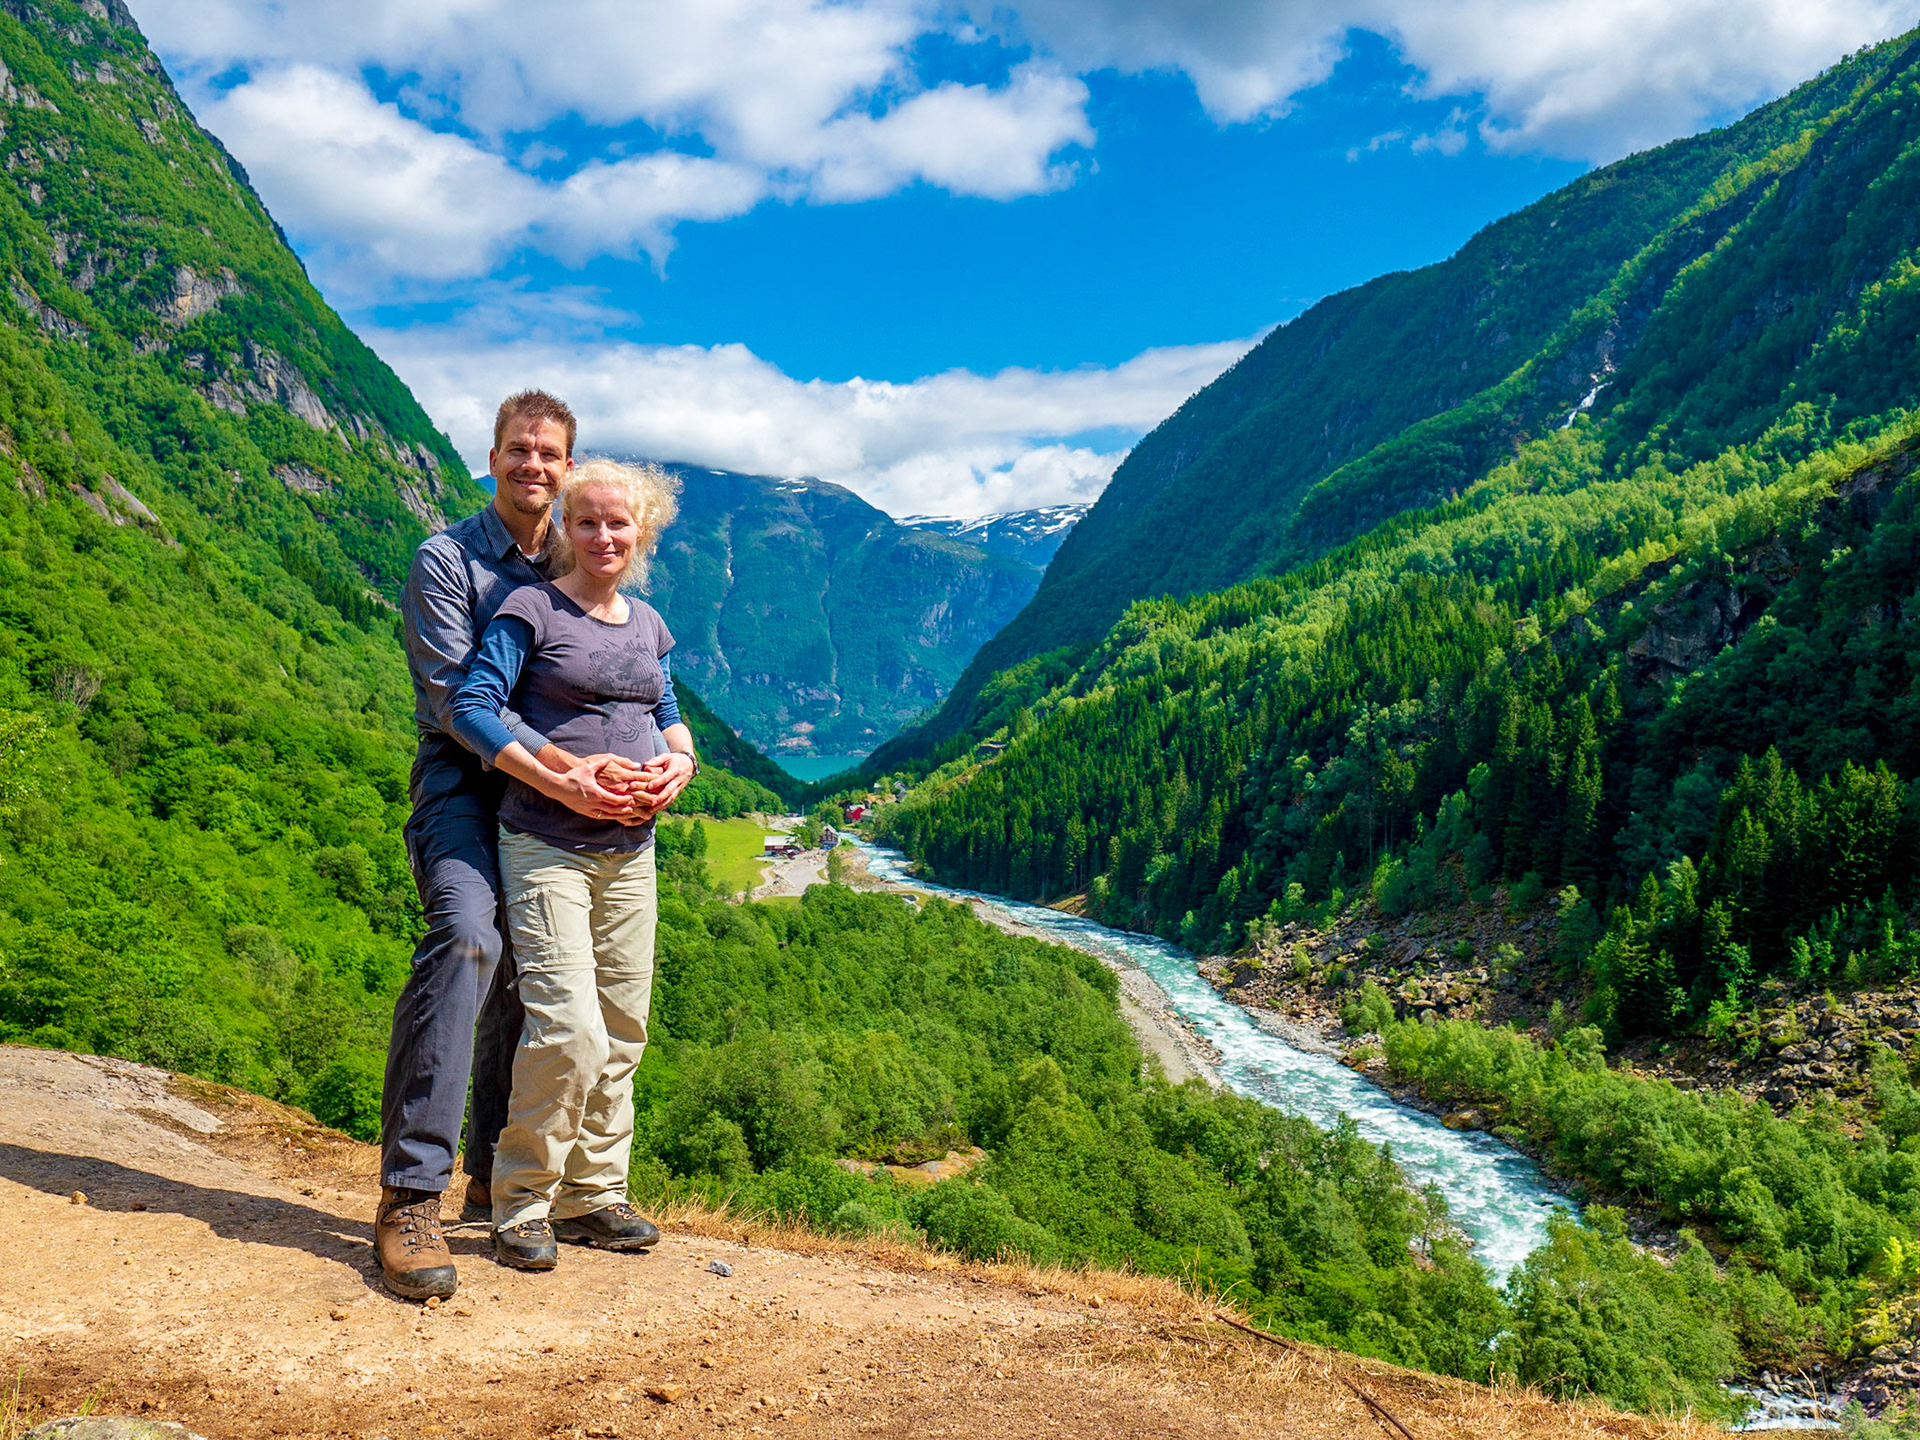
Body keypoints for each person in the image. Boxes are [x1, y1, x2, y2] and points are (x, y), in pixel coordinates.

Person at [378, 392, 692, 1300]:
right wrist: (566, 775)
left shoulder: (568, 553)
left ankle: (504, 1179)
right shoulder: (449, 560)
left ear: (568, 464)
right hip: (467, 786)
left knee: (543, 982)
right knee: (474, 940)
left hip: (575, 812)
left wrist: (665, 763)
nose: (535, 467)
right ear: (493, 457)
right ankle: (410, 1196)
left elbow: (632, 686)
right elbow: (455, 701)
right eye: (520, 451)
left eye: (550, 454)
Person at [449, 458, 694, 1269]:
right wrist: (567, 773)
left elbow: (667, 712)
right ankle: (520, 1201)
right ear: (564, 529)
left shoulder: (648, 625)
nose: (602, 535)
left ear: (643, 533)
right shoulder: (532, 609)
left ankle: (596, 1194)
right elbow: (476, 705)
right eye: (585, 521)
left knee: (623, 1028)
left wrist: (679, 765)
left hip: (632, 850)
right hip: (546, 843)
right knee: (569, 1028)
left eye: (618, 522)